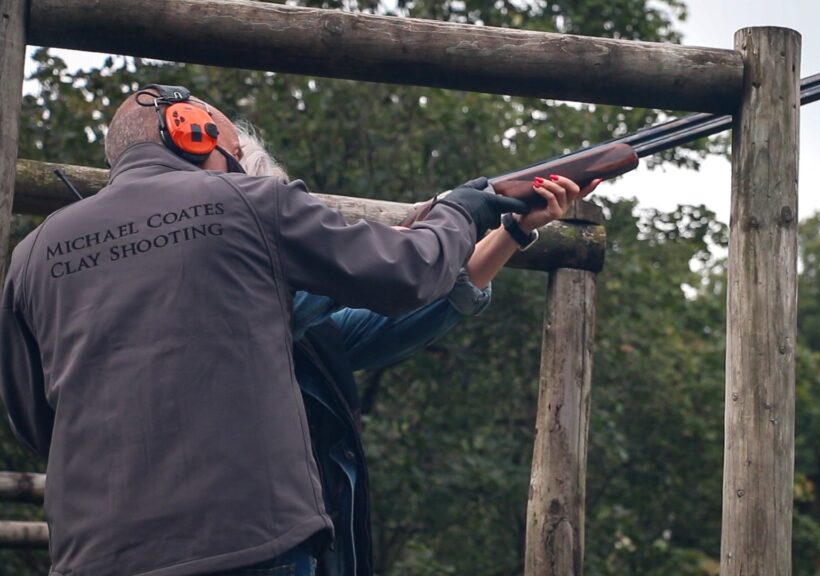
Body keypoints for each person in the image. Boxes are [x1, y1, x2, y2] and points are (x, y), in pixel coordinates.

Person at [0, 84, 531, 576]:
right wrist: (461, 211)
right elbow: (408, 271)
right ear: (191, 130)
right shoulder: (248, 202)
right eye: (231, 153)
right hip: (250, 541)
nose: (236, 168)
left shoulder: (30, 257)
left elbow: (34, 425)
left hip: (93, 558)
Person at [235, 125, 600, 575]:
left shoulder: (313, 339)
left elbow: (440, 296)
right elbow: (385, 275)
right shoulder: (237, 315)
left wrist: (514, 226)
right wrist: (437, 227)